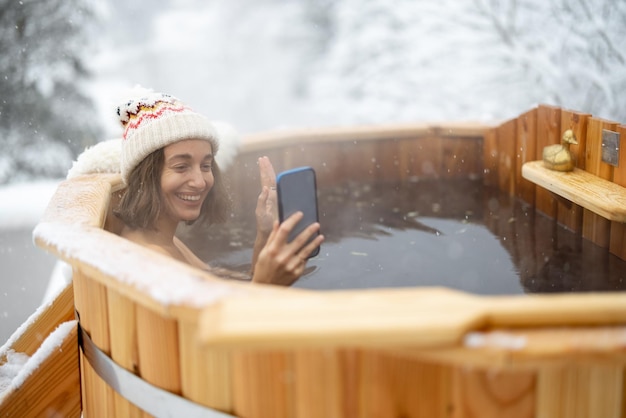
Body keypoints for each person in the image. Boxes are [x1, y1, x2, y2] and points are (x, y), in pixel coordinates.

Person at [113, 88, 323, 286]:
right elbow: (219, 323)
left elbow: (231, 288)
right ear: (146, 176)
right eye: (181, 166)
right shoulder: (154, 262)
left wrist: (266, 233)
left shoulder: (164, 240)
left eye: (206, 165)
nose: (200, 181)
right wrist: (267, 284)